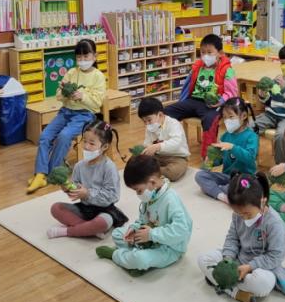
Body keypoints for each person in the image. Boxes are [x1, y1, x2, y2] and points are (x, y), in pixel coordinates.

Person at [197, 172, 285, 302]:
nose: (243, 218)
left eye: (247, 214)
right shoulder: (238, 215)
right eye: (239, 213)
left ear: (262, 201)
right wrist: (228, 260)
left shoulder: (275, 224)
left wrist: (250, 267)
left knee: (262, 284)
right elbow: (232, 238)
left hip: (261, 267)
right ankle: (237, 293)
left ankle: (223, 284)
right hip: (238, 260)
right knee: (203, 259)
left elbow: (276, 256)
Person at [28, 39, 106, 194]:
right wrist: (65, 93)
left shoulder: (98, 76)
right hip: (65, 111)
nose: (82, 60)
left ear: (95, 56)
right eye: (79, 57)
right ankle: (40, 174)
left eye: (86, 56)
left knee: (64, 136)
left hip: (85, 114)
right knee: (44, 136)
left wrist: (82, 96)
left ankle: (52, 173)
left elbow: (98, 102)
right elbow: (58, 94)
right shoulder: (71, 73)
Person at [95, 155, 192, 276]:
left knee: (140, 259)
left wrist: (151, 235)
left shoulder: (171, 200)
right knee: (118, 234)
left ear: (152, 182)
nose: (138, 194)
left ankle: (116, 255)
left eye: (139, 190)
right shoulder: (151, 195)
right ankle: (134, 258)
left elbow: (181, 231)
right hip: (150, 241)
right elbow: (143, 220)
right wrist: (134, 229)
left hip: (169, 248)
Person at [47, 120, 128, 239]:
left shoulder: (109, 167)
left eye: (91, 143)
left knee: (104, 222)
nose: (86, 146)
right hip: (84, 208)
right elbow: (76, 187)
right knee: (56, 208)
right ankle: (89, 229)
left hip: (104, 210)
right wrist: (68, 188)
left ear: (105, 146)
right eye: (84, 141)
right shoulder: (79, 166)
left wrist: (88, 194)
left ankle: (68, 231)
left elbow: (113, 196)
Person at [164, 34, 239, 158]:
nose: (205, 56)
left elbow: (232, 92)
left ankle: (208, 156)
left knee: (210, 121)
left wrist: (220, 101)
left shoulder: (227, 69)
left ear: (220, 53)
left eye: (209, 52)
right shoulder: (198, 66)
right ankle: (166, 147)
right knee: (166, 112)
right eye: (203, 52)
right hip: (193, 100)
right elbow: (188, 85)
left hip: (214, 105)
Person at [195, 97, 258, 203]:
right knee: (200, 175)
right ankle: (223, 196)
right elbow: (220, 160)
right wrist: (210, 161)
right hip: (227, 177)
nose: (227, 121)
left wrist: (233, 147)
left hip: (244, 178)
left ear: (243, 116)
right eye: (224, 117)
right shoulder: (225, 136)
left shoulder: (251, 136)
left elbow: (250, 158)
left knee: (242, 188)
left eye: (231, 117)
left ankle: (216, 190)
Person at [136, 97, 190, 181]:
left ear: (160, 115)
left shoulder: (173, 124)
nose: (147, 124)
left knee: (173, 172)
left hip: (177, 157)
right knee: (137, 160)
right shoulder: (150, 127)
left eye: (149, 120)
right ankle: (153, 170)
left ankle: (151, 171)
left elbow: (176, 142)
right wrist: (146, 150)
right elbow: (147, 142)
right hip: (158, 156)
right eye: (144, 121)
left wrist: (158, 146)